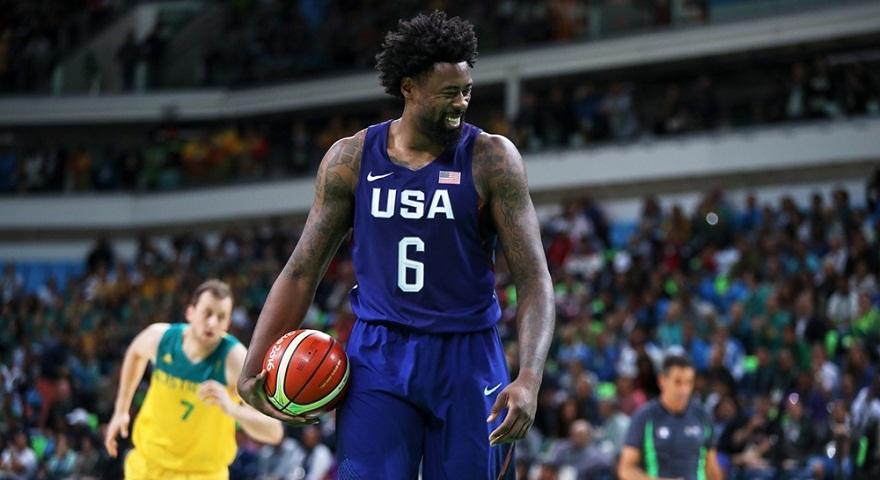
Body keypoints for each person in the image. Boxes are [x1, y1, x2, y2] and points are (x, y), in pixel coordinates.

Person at [237, 11, 555, 479]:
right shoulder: (350, 158)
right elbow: (303, 269)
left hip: (467, 357)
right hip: (379, 355)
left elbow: (534, 280)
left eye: (467, 91)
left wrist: (529, 376)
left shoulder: (492, 159)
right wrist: (252, 366)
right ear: (409, 88)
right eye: (448, 93)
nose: (462, 103)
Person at [104, 279, 283, 479]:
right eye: (207, 313)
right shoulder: (161, 339)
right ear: (190, 312)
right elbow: (136, 352)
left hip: (201, 474)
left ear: (227, 323)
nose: (213, 323)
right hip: (148, 466)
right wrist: (121, 410)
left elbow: (274, 432)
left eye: (221, 317)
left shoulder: (236, 361)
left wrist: (233, 409)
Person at [618, 354, 722, 480]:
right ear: (662, 380)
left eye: (689, 382)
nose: (684, 389)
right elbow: (626, 469)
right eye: (677, 382)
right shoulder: (645, 417)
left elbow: (712, 468)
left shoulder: (703, 417)